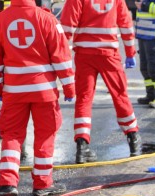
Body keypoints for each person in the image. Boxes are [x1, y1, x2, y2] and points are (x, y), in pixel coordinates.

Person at [0, 0, 75, 196]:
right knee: (45, 134)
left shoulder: (1, 20)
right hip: (44, 91)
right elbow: (61, 56)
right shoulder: (47, 18)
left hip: (14, 91)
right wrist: (69, 87)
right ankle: (43, 183)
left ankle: (7, 182)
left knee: (12, 135)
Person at [60, 0, 142, 162]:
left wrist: (61, 54)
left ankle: (82, 146)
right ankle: (133, 138)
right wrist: (130, 52)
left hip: (85, 54)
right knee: (120, 95)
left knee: (84, 98)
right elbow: (125, 24)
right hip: (109, 54)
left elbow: (67, 27)